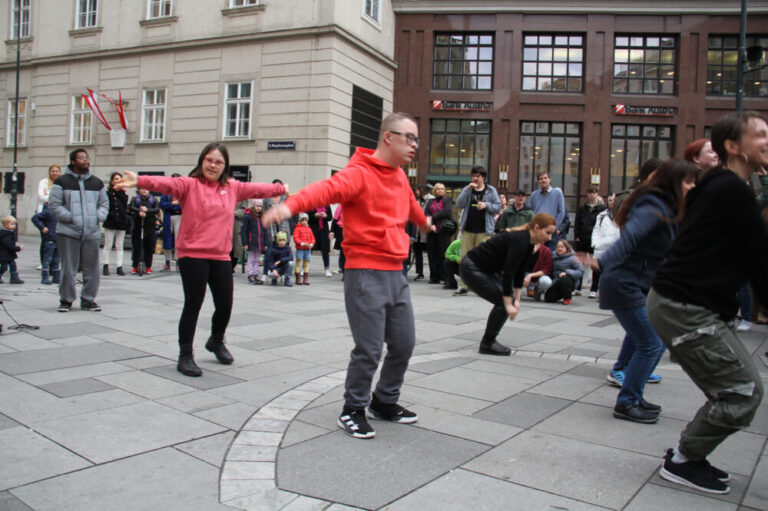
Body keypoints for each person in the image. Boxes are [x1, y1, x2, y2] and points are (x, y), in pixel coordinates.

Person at [262, 112, 429, 440]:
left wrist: (424, 221)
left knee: (404, 343)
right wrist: (288, 207)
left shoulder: (399, 177)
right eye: (409, 138)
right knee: (368, 348)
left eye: (416, 140)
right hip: (366, 272)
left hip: (396, 273)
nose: (414, 145)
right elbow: (326, 190)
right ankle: (352, 408)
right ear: (387, 137)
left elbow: (409, 204)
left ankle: (384, 401)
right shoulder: (360, 174)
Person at [648, 112, 768, 495]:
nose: (767, 140)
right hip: (684, 306)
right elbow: (760, 259)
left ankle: (689, 456)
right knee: (742, 391)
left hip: (687, 304)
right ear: (733, 147)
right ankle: (684, 459)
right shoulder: (730, 190)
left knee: (737, 387)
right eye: (760, 135)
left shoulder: (721, 187)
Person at [115, 142, 287, 377]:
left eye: (218, 162)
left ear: (225, 166)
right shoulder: (189, 185)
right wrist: (140, 180)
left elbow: (256, 188)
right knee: (193, 304)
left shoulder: (233, 187)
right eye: (209, 160)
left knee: (225, 304)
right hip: (192, 254)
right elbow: (164, 183)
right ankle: (185, 355)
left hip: (220, 255)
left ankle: (216, 341)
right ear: (201, 161)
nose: (213, 165)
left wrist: (278, 187)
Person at [595, 159, 698, 425]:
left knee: (653, 339)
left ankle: (634, 396)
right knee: (650, 342)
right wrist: (602, 261)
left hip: (637, 283)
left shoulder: (671, 208)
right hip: (623, 282)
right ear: (674, 183)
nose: (693, 186)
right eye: (688, 181)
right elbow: (631, 238)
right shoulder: (653, 205)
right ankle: (627, 401)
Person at [460, 213, 556, 355]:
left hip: (483, 269)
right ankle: (487, 343)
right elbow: (509, 274)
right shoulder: (520, 240)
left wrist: (517, 301)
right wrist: (509, 304)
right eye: (548, 233)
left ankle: (489, 341)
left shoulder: (528, 242)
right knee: (503, 302)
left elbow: (519, 272)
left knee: (507, 301)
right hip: (472, 268)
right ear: (536, 228)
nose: (550, 238)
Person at [48, 148, 108, 312]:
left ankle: (89, 299)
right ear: (73, 161)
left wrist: (98, 216)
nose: (85, 160)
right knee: (68, 267)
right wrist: (70, 217)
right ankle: (66, 299)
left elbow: (104, 204)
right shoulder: (62, 181)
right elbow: (54, 205)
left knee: (92, 268)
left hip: (91, 231)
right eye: (81, 158)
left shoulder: (96, 183)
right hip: (68, 231)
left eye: (86, 157)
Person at [453, 165, 502, 296]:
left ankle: (481, 286)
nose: (475, 178)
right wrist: (466, 190)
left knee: (482, 258)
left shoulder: (491, 191)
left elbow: (498, 207)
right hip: (468, 229)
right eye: (473, 176)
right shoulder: (468, 189)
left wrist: (486, 205)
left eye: (478, 176)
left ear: (483, 178)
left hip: (483, 230)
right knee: (465, 258)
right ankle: (463, 286)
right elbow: (459, 204)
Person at [573, 186, 605, 295]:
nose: (592, 194)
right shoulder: (582, 208)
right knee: (579, 262)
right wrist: (577, 235)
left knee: (594, 264)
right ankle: (577, 287)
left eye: (594, 192)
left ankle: (594, 289)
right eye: (590, 192)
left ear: (597, 194)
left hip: (594, 239)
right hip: (582, 238)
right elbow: (577, 222)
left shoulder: (602, 209)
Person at [589, 193, 620, 299]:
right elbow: (596, 230)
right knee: (597, 269)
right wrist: (595, 243)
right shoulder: (602, 215)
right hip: (601, 246)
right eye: (610, 200)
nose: (612, 202)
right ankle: (594, 289)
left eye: (614, 200)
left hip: (615, 246)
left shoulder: (623, 215)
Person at [528, 172, 566, 249]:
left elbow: (561, 212)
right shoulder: (534, 195)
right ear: (538, 181)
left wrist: (554, 228)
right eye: (541, 179)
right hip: (537, 231)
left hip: (551, 232)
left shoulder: (557, 192)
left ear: (550, 180)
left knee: (550, 254)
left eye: (545, 178)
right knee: (536, 254)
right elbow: (530, 212)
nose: (543, 180)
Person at [424, 182, 453, 284]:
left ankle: (445, 277)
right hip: (431, 230)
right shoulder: (430, 201)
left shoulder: (447, 200)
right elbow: (426, 212)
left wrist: (432, 218)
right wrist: (431, 224)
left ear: (444, 191)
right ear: (434, 191)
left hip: (443, 230)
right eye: (438, 189)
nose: (440, 190)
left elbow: (447, 212)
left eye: (442, 189)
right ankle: (434, 277)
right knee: (432, 254)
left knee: (443, 254)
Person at [102, 172, 129, 276]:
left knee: (119, 245)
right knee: (108, 244)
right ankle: (105, 265)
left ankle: (119, 266)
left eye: (120, 179)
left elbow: (124, 206)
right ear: (112, 181)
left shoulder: (123, 194)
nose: (118, 180)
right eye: (116, 179)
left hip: (121, 221)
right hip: (111, 220)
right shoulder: (108, 193)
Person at [544, 239, 584, 305]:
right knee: (549, 298)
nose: (559, 248)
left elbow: (580, 271)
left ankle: (567, 298)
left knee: (564, 279)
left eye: (562, 247)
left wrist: (567, 272)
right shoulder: (553, 257)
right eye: (558, 247)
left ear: (566, 248)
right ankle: (562, 293)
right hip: (556, 281)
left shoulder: (573, 258)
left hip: (570, 281)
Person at [130, 187, 160, 275]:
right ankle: (135, 266)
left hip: (149, 225)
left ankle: (148, 266)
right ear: (139, 190)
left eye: (146, 189)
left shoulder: (153, 200)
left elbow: (156, 210)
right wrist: (139, 211)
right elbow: (131, 207)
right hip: (137, 225)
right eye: (142, 189)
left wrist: (147, 211)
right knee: (136, 246)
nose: (144, 190)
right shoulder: (135, 199)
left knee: (149, 246)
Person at [37, 164, 61, 270]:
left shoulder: (62, 182)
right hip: (45, 212)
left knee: (56, 239)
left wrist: (49, 195)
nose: (55, 173)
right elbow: (41, 197)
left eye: (57, 171)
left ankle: (54, 262)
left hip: (58, 213)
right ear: (49, 172)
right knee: (45, 238)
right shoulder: (44, 182)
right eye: (53, 171)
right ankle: (43, 262)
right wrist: (55, 197)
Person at [241, 199, 270, 285]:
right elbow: (244, 231)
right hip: (251, 241)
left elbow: (265, 231)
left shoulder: (262, 217)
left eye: (260, 206)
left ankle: (256, 274)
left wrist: (266, 243)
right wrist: (245, 243)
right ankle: (250, 275)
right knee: (251, 259)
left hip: (259, 242)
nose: (259, 208)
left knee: (257, 259)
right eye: (257, 206)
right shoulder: (247, 216)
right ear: (253, 206)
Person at [159, 173, 183, 271]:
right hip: (168, 217)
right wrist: (173, 203)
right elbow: (162, 204)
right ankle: (167, 262)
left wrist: (172, 206)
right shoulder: (166, 192)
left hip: (179, 216)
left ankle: (178, 262)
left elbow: (183, 205)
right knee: (167, 239)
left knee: (178, 240)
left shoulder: (182, 192)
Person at [31, 205, 59, 285]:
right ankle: (45, 277)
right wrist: (42, 227)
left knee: (56, 259)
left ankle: (56, 277)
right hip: (50, 238)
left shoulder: (60, 211)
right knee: (47, 259)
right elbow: (35, 218)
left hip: (59, 238)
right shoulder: (48, 211)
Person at [412, 184, 433, 280]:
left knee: (430, 252)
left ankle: (433, 272)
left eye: (417, 190)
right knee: (417, 252)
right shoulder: (417, 201)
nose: (416, 192)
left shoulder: (431, 199)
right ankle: (419, 272)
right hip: (417, 231)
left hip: (427, 229)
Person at [308, 205, 333, 277]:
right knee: (309, 249)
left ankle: (327, 269)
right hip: (313, 229)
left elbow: (330, 217)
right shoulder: (311, 204)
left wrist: (325, 215)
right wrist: (314, 215)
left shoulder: (327, 205)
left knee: (325, 250)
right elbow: (306, 217)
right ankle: (305, 268)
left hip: (324, 230)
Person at [0, 216, 24, 284]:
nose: (14, 226)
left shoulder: (8, 232)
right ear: (5, 225)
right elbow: (9, 245)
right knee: (4, 266)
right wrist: (18, 248)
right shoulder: (5, 234)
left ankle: (14, 278)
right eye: (12, 224)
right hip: (4, 254)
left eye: (15, 224)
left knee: (12, 264)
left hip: (8, 254)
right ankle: (13, 278)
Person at [293, 212, 315, 285]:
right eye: (303, 220)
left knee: (306, 263)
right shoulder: (297, 228)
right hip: (300, 248)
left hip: (307, 249)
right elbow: (296, 238)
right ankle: (298, 278)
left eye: (306, 220)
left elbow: (312, 238)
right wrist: (302, 243)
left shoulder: (309, 229)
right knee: (298, 262)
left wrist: (311, 243)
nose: (304, 222)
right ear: (300, 220)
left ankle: (306, 278)